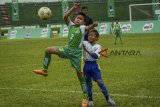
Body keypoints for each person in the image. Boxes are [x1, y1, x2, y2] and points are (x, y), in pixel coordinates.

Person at [33, 3, 98, 107]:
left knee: (80, 75)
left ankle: (85, 96)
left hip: (77, 54)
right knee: (48, 50)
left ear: (83, 22)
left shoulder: (82, 28)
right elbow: (65, 16)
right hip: (67, 49)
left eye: (81, 19)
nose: (78, 20)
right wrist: (74, 8)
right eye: (77, 18)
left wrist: (93, 25)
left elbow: (88, 27)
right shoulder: (71, 25)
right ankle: (44, 70)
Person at [83, 29, 116, 107]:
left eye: (91, 35)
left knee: (100, 82)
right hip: (86, 65)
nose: (89, 36)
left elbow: (95, 56)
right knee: (88, 84)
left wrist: (86, 50)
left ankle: (108, 98)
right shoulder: (84, 43)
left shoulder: (98, 46)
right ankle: (90, 100)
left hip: (94, 66)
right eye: (88, 35)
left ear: (97, 38)